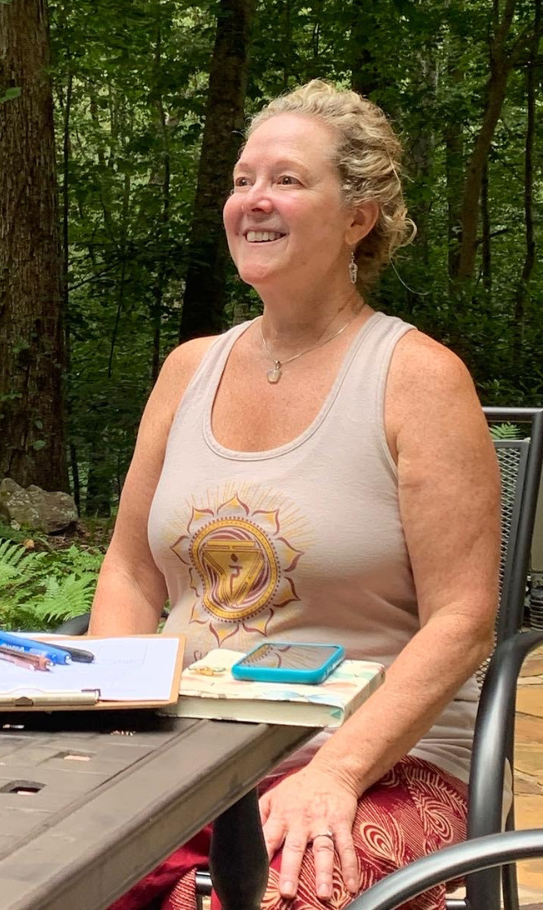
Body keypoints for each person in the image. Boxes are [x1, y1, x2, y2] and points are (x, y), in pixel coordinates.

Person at [90, 81, 499, 910]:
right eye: (243, 180)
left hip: (374, 761)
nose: (254, 200)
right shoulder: (187, 371)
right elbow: (131, 571)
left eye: (286, 180)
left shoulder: (419, 379)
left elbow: (463, 621)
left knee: (254, 899)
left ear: (358, 217)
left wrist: (339, 771)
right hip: (182, 753)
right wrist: (111, 723)